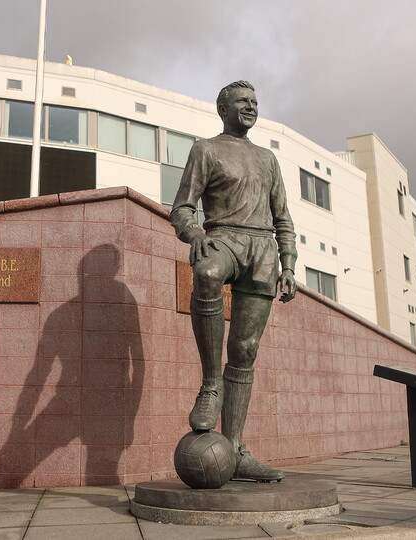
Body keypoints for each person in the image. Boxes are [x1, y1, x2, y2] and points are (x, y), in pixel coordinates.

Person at [170, 80, 297, 482]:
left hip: (263, 250)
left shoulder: (267, 159)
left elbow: (283, 218)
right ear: (223, 109)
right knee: (206, 273)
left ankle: (237, 450)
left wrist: (289, 264)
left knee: (245, 348)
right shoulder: (205, 149)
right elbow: (182, 208)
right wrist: (194, 234)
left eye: (255, 101)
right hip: (223, 237)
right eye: (242, 101)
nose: (251, 106)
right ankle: (211, 385)